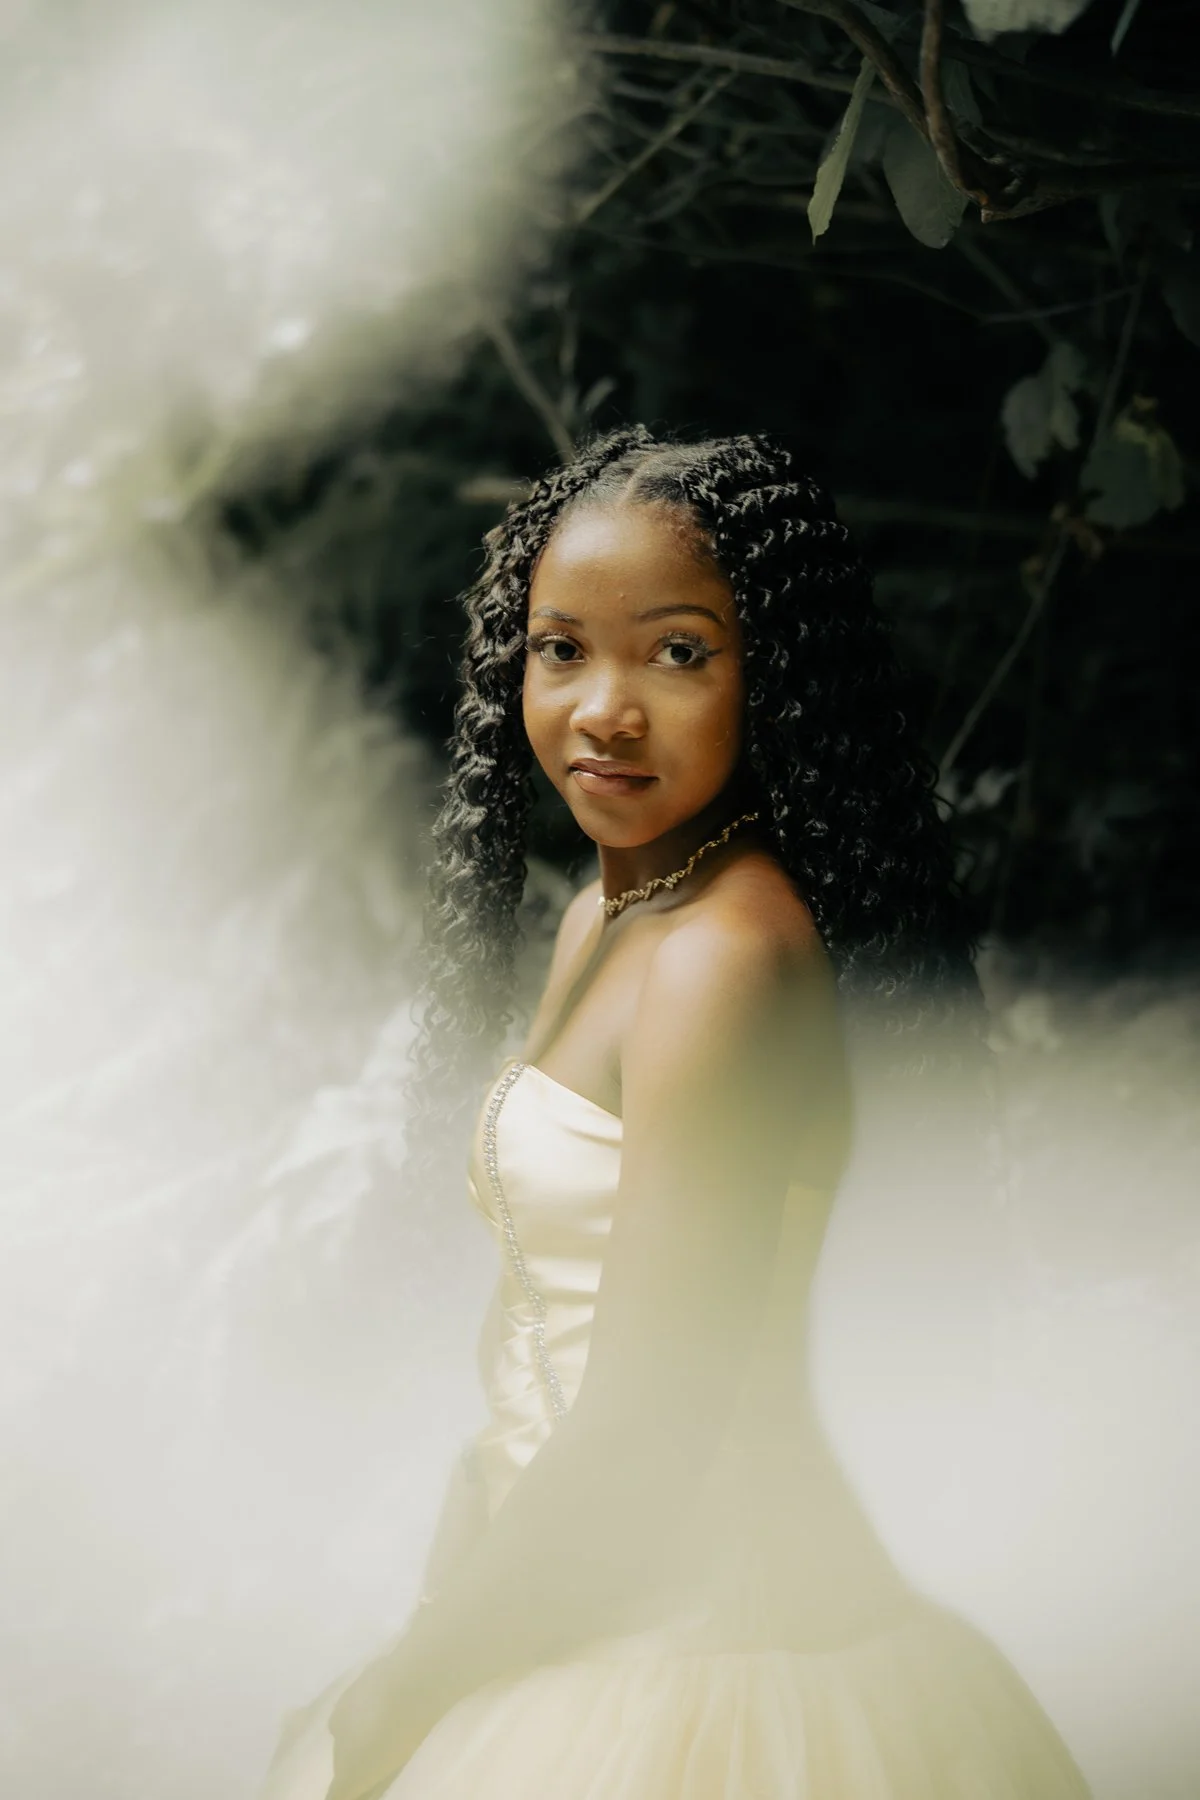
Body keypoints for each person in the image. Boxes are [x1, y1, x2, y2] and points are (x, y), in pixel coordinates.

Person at [259, 428, 1091, 1800]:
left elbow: (647, 1420)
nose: (606, 707)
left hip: (710, 1658)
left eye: (680, 652)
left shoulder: (724, 959)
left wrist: (406, 1694)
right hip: (581, 1591)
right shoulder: (618, 908)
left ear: (776, 677)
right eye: (562, 648)